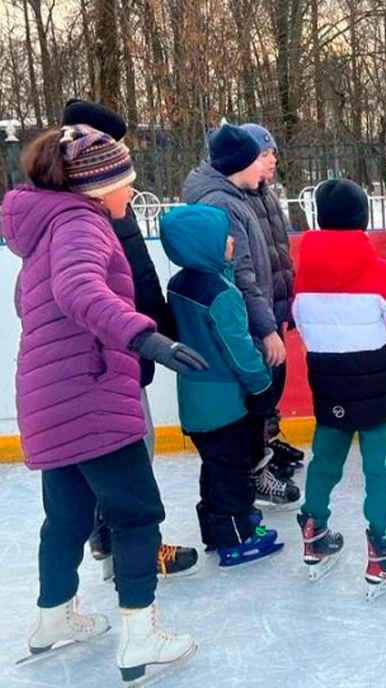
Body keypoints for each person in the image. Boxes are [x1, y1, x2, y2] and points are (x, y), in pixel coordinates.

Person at [2, 125, 204, 683]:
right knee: (136, 514)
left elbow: (33, 301)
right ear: (97, 187)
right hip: (90, 393)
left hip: (48, 394)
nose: (130, 195)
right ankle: (141, 638)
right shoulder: (80, 224)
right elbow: (79, 291)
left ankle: (52, 619)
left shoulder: (46, 225)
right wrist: (146, 337)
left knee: (66, 515)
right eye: (126, 183)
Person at [61, 98, 198, 579]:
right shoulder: (85, 213)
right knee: (130, 454)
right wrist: (147, 336)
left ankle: (114, 543)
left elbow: (137, 274)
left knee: (131, 451)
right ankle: (132, 552)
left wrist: (159, 322)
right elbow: (91, 292)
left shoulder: (107, 203)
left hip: (127, 344)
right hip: (110, 352)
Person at [293, 179, 386, 598]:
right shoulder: (381, 273)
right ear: (363, 220)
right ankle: (382, 552)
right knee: (379, 469)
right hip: (376, 388)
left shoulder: (303, 275)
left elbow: (306, 329)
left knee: (324, 459)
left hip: (330, 387)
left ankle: (314, 532)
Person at [159, 204, 285, 567]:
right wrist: (262, 387)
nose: (231, 240)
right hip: (225, 401)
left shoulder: (179, 284)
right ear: (203, 244)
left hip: (195, 397)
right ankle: (237, 538)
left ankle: (218, 530)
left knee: (214, 469)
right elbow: (239, 349)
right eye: (224, 235)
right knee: (232, 472)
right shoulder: (221, 293)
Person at [181, 123, 300, 507]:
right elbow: (242, 274)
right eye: (262, 156)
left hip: (262, 309)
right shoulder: (225, 203)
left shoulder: (248, 192)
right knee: (249, 408)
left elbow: (271, 252)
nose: (271, 163)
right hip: (246, 323)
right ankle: (246, 488)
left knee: (261, 400)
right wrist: (265, 329)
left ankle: (256, 469)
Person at [240, 123, 304, 472]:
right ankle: (259, 449)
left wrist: (287, 298)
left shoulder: (264, 194)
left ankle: (270, 436)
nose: (272, 161)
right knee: (263, 380)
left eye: (273, 153)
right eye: (264, 155)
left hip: (275, 300)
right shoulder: (241, 197)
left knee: (276, 377)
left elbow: (279, 252)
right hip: (258, 307)